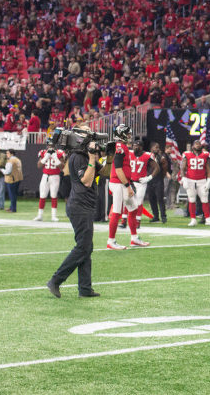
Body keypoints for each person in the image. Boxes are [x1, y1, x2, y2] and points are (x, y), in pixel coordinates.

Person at [47, 128, 103, 298]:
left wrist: (109, 157)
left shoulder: (85, 156)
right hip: (79, 206)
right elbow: (86, 181)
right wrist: (93, 159)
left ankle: (85, 289)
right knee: (83, 247)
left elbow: (104, 172)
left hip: (84, 205)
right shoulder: (78, 157)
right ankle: (56, 280)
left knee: (86, 247)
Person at [107, 124, 147, 250]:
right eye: (128, 134)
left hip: (122, 182)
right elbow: (118, 169)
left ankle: (134, 238)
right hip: (119, 183)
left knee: (133, 208)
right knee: (117, 211)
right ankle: (111, 241)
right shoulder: (120, 147)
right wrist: (127, 185)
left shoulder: (122, 146)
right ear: (122, 134)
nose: (129, 136)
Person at [181, 140, 210, 227]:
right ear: (192, 146)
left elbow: (208, 169)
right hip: (190, 180)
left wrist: (208, 180)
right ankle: (193, 219)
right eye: (196, 144)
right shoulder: (187, 154)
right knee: (191, 199)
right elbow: (182, 168)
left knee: (205, 199)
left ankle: (207, 219)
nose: (197, 145)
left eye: (199, 144)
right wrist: (184, 178)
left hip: (202, 180)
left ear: (201, 146)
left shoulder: (206, 155)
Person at [34, 139, 65, 221]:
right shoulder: (43, 152)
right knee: (42, 195)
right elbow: (39, 165)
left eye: (52, 145)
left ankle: (53, 216)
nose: (50, 147)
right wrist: (46, 157)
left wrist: (55, 158)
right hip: (45, 176)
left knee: (54, 195)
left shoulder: (59, 153)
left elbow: (62, 167)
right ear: (47, 145)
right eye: (49, 145)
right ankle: (40, 215)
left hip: (55, 176)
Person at [130, 141, 157, 232]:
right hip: (130, 181)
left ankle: (138, 221)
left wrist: (149, 178)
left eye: (137, 146)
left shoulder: (147, 155)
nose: (135, 148)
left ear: (141, 147)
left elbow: (157, 168)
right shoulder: (129, 153)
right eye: (134, 146)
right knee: (128, 200)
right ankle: (124, 220)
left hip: (141, 182)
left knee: (139, 202)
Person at [146, 142, 169, 223]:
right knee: (151, 199)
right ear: (151, 148)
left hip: (158, 180)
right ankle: (156, 216)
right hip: (149, 180)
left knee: (160, 199)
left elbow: (165, 169)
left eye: (158, 147)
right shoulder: (147, 157)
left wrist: (161, 177)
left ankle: (163, 216)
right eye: (156, 147)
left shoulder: (161, 157)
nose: (158, 149)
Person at [2, 149, 22, 213]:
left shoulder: (10, 161)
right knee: (14, 194)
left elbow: (7, 172)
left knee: (12, 195)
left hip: (12, 179)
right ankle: (12, 207)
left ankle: (13, 209)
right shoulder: (18, 160)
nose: (6, 154)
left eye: (7, 153)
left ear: (11, 154)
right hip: (18, 178)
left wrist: (2, 170)